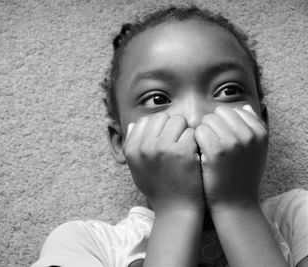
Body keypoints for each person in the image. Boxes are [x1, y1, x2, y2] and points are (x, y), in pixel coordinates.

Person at [31, 5, 308, 267]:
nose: (195, 116)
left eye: (228, 91)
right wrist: (177, 210)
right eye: (157, 98)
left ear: (262, 123)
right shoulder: (85, 243)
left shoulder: (298, 216)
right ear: (120, 142)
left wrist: (237, 206)